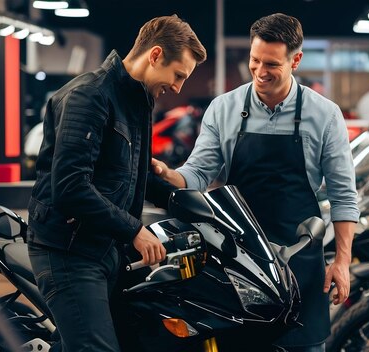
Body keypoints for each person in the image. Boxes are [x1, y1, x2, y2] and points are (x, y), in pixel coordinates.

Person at [152, 13, 358, 351]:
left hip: (299, 260)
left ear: (296, 60)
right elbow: (197, 174)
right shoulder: (224, 108)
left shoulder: (325, 114)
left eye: (272, 64)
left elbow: (343, 195)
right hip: (240, 260)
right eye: (254, 60)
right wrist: (166, 174)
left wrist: (342, 261)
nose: (261, 72)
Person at [26, 15, 206, 352]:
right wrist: (135, 231)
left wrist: (203, 210)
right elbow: (70, 187)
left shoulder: (137, 103)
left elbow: (138, 179)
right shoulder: (89, 96)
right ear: (155, 56)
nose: (180, 87)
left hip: (105, 248)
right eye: (178, 75)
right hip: (68, 251)